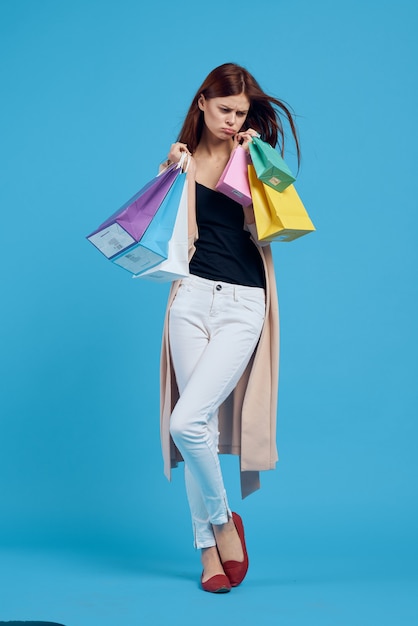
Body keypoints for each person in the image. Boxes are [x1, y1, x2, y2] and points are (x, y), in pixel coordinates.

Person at [159, 63, 300, 593]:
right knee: (198, 430)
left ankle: (221, 524)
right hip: (190, 302)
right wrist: (169, 171)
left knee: (186, 420)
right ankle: (209, 548)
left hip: (243, 304)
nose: (232, 119)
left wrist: (256, 157)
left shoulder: (254, 157)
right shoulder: (182, 161)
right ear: (202, 104)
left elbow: (283, 224)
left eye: (240, 112)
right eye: (225, 110)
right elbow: (158, 229)